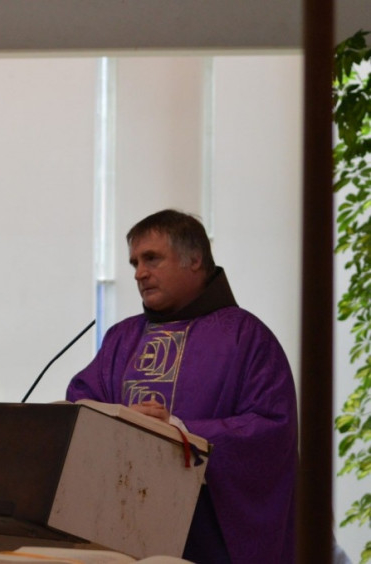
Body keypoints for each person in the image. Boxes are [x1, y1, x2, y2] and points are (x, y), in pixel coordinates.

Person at [66, 210, 297, 564]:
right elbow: (80, 407)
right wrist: (118, 420)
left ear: (194, 259)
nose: (139, 273)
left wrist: (180, 432)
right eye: (134, 263)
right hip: (123, 528)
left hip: (210, 538)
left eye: (152, 259)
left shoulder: (246, 336)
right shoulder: (122, 338)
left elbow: (271, 430)